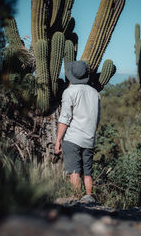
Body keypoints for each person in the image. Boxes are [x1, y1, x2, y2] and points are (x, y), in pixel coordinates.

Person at [55, 60, 100, 202]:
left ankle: (76, 201)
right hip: (89, 138)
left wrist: (58, 140)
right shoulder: (95, 93)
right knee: (87, 173)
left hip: (73, 138)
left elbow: (65, 118)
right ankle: (89, 200)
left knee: (74, 172)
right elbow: (97, 118)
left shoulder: (69, 92)